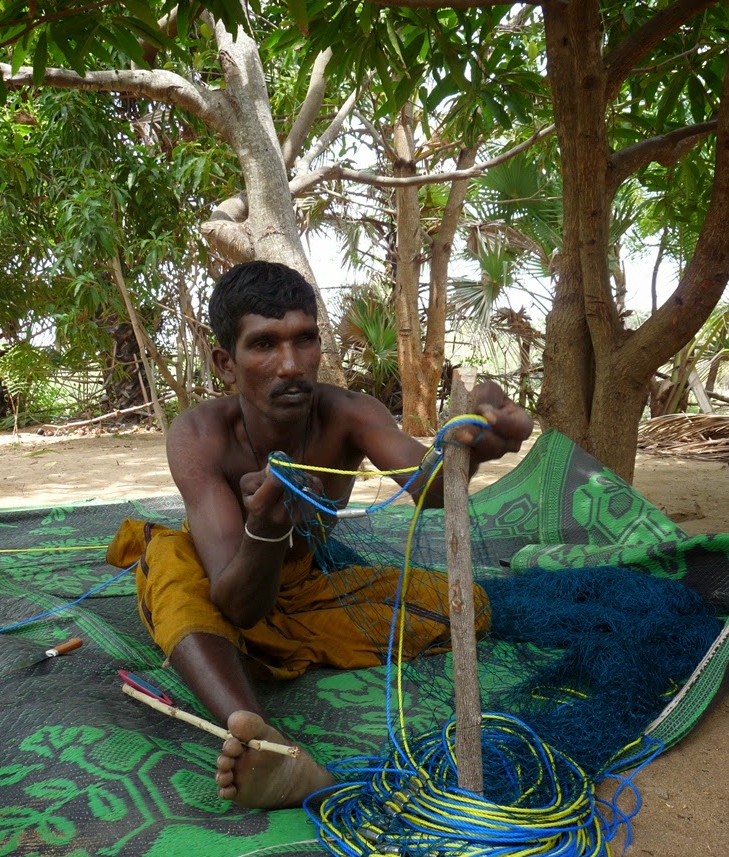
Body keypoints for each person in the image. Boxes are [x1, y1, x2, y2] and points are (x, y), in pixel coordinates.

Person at [107, 261, 532, 810]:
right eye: (264, 345)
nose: (290, 365)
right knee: (171, 567)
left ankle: (279, 663)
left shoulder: (350, 414)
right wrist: (264, 529)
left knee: (466, 607)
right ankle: (262, 740)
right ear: (225, 363)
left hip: (307, 587)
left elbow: (428, 486)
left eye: (304, 340)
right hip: (223, 584)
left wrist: (471, 446)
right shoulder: (199, 433)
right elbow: (236, 603)